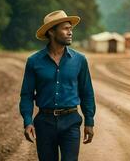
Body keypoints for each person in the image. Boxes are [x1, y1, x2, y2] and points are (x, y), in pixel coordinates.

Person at [19, 10, 96, 161]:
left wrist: (89, 121)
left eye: (71, 28)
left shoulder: (80, 60)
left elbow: (87, 92)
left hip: (71, 122)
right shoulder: (34, 61)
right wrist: (28, 122)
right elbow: (26, 95)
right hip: (44, 123)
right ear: (52, 32)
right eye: (65, 29)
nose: (70, 32)